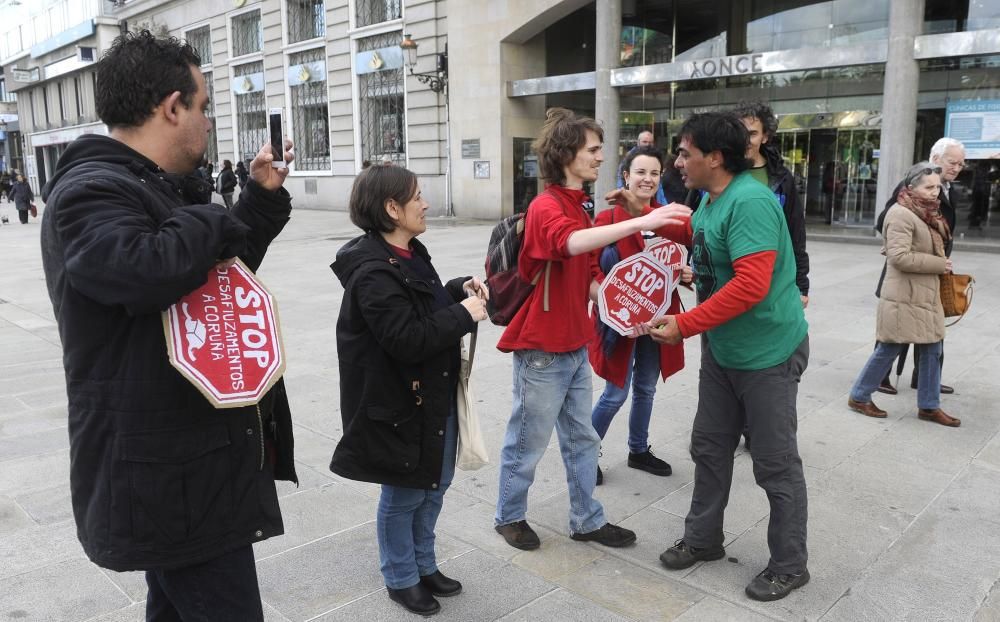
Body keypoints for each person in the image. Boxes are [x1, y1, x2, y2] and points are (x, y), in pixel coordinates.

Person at [39, 31, 297, 621]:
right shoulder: (91, 192)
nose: (207, 122)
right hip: (170, 478)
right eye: (203, 106)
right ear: (171, 107)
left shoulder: (151, 190)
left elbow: (205, 283)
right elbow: (147, 270)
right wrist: (208, 212)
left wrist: (255, 200)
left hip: (189, 469)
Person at [493, 107, 689, 552]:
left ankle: (586, 519)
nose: (601, 157)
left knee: (583, 439)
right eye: (594, 149)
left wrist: (620, 303)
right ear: (566, 153)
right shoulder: (547, 205)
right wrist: (641, 220)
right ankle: (509, 516)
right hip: (541, 348)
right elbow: (568, 243)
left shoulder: (578, 205)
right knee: (526, 441)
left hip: (574, 344)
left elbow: (584, 274)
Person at [639, 112, 810, 602]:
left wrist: (684, 326)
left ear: (715, 157)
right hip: (725, 350)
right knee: (710, 447)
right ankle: (703, 539)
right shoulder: (713, 199)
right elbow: (703, 237)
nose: (677, 162)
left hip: (768, 352)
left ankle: (790, 564)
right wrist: (643, 211)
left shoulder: (751, 201)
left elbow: (752, 284)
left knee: (775, 464)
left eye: (684, 153)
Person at [330, 165, 489, 616]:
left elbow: (423, 302)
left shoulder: (410, 252)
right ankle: (401, 577)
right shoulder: (372, 273)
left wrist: (457, 289)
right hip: (398, 405)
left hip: (431, 397)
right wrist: (466, 314)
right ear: (392, 208)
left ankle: (424, 564)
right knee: (404, 495)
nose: (426, 204)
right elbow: (405, 337)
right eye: (417, 196)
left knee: (433, 486)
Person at [589, 145, 692, 485]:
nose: (647, 179)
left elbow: (677, 264)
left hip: (659, 320)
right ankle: (585, 455)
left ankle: (638, 449)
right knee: (615, 392)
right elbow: (590, 270)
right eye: (640, 172)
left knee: (646, 387)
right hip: (620, 321)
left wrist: (686, 274)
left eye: (653, 173)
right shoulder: (608, 218)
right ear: (626, 176)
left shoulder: (669, 217)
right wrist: (614, 303)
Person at [847, 162, 958, 427]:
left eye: (937, 187)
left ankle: (929, 406)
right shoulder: (900, 214)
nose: (935, 192)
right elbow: (898, 257)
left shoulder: (927, 212)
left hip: (923, 293)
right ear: (911, 187)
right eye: (928, 187)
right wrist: (939, 264)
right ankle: (859, 396)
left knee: (932, 345)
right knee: (890, 345)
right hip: (904, 293)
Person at [874, 138, 965, 395]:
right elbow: (886, 220)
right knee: (898, 328)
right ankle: (878, 379)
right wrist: (897, 242)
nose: (957, 168)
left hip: (933, 270)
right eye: (952, 162)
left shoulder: (947, 189)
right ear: (936, 159)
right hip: (911, 270)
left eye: (960, 163)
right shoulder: (913, 187)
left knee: (932, 330)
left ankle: (925, 381)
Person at [735, 101, 809, 307]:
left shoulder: (781, 178)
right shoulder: (718, 173)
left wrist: (801, 284)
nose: (745, 141)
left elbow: (795, 230)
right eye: (739, 133)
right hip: (729, 277)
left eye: (752, 134)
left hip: (773, 276)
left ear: (765, 136)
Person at [617, 130, 667, 205]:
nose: (647, 144)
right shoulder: (629, 159)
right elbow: (621, 185)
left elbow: (660, 191)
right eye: (640, 172)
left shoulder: (656, 160)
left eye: (650, 142)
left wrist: (665, 208)